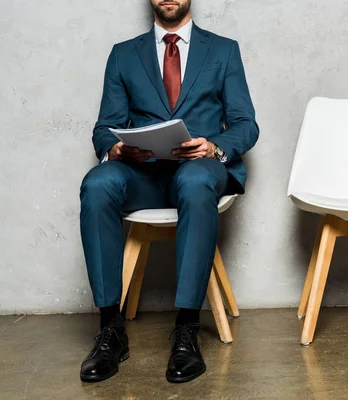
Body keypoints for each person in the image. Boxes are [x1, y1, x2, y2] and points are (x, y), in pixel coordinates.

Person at [79, 0, 258, 383]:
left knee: (193, 181)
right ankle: (110, 329)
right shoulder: (123, 55)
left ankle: (187, 329)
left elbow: (246, 123)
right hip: (143, 176)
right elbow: (104, 126)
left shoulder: (223, 50)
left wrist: (212, 146)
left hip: (199, 172)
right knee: (97, 183)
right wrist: (115, 148)